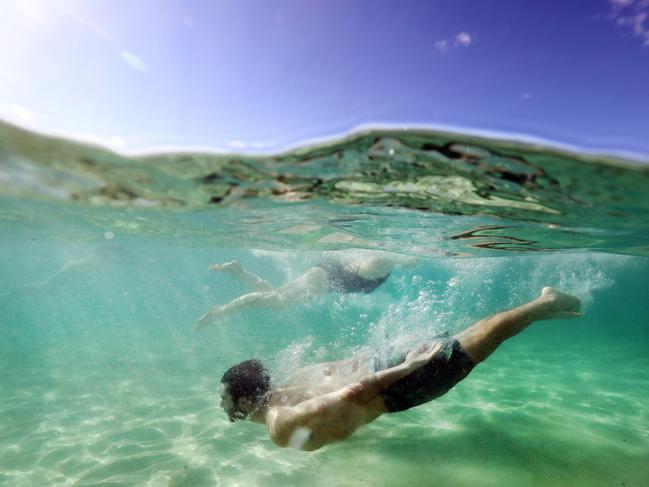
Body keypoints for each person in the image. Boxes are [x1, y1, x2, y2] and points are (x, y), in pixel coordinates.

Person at [218, 287, 582, 451]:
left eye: (225, 397)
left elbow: (352, 393)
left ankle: (542, 302)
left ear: (247, 399)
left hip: (391, 383)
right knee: (466, 339)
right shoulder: (284, 388)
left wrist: (409, 366)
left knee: (476, 347)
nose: (221, 404)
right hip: (379, 363)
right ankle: (542, 309)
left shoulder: (279, 425)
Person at [194, 252, 416, 331]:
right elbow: (406, 259)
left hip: (326, 278)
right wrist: (408, 256)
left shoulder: (378, 262)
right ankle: (220, 311)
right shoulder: (381, 261)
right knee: (277, 300)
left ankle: (239, 271)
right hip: (325, 277)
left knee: (277, 296)